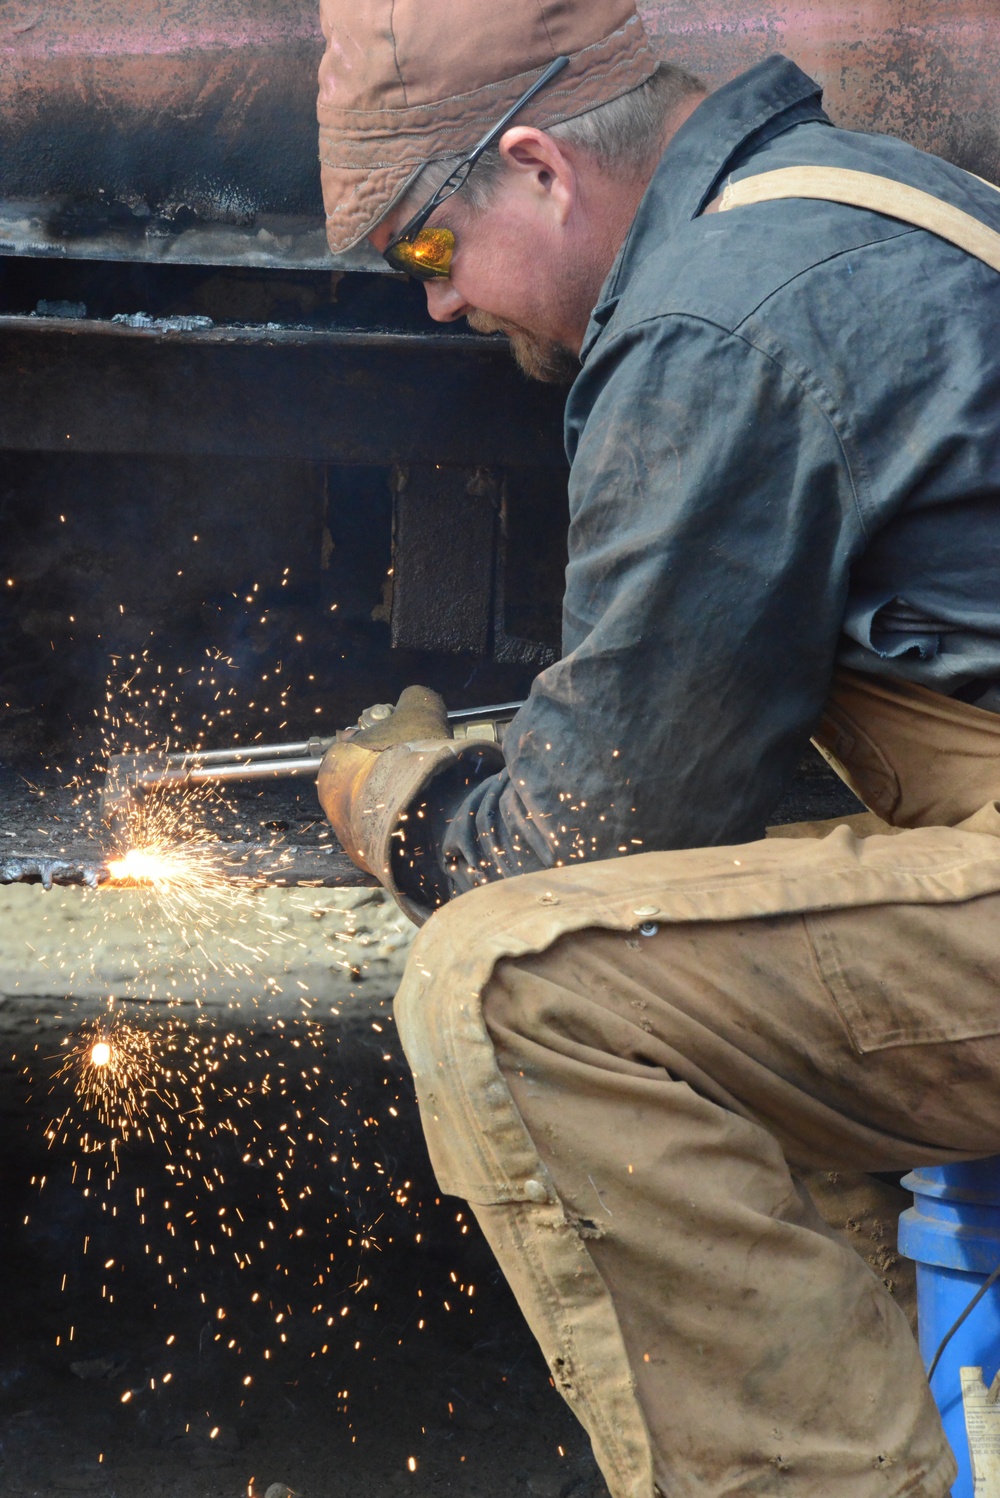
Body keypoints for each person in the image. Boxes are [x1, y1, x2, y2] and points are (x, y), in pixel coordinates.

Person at [314, 2, 1000, 1492]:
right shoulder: (853, 196)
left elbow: (583, 839)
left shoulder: (710, 324)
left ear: (543, 167)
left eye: (426, 248)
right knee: (699, 953)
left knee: (513, 989)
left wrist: (408, 810)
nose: (433, 305)